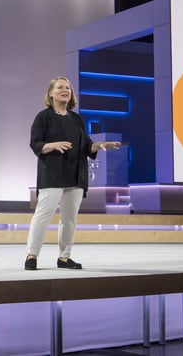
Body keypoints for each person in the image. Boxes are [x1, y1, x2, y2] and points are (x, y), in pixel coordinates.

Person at [24, 76, 121, 271]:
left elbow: (86, 146)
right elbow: (35, 143)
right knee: (42, 216)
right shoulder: (43, 117)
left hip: (76, 174)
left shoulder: (77, 119)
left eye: (67, 88)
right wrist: (51, 145)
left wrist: (99, 145)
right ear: (51, 93)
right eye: (60, 87)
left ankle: (64, 257)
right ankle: (32, 255)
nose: (65, 90)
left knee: (69, 219)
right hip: (52, 174)